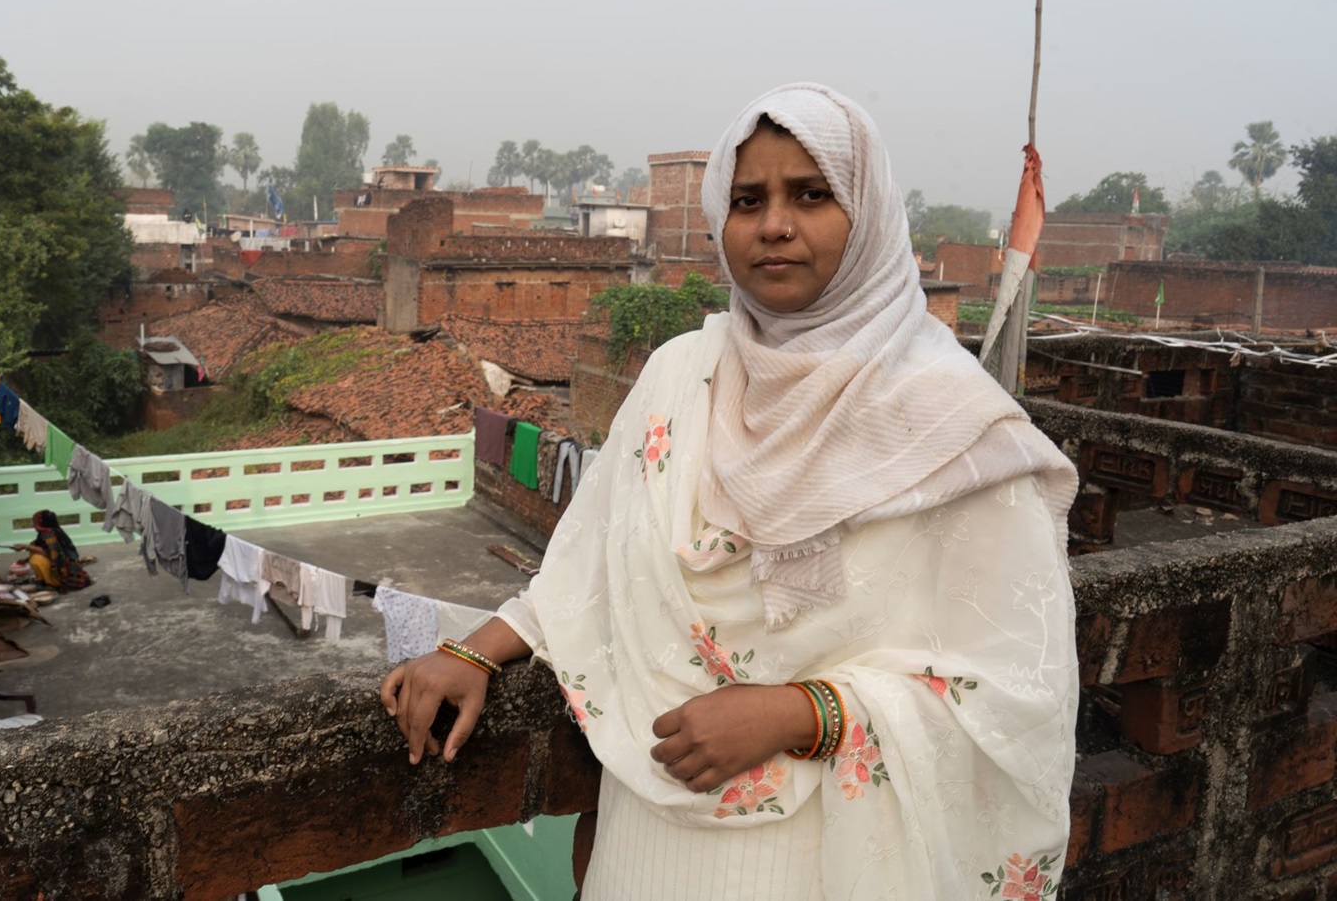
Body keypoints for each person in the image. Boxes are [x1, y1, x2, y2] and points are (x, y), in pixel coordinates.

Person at [380, 84, 1079, 899]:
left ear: (871, 216)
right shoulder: (684, 374)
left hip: (826, 856)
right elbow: (596, 558)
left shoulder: (955, 431)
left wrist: (801, 713)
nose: (774, 224)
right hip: (646, 833)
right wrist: (475, 651)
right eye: (748, 201)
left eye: (811, 195)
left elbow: (1015, 694)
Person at [11, 510, 92, 592]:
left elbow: (50, 554)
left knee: (36, 559)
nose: (33, 525)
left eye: (35, 522)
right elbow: (43, 548)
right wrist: (26, 559)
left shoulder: (49, 535)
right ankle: (43, 580)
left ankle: (53, 583)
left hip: (64, 570)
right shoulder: (52, 531)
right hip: (62, 565)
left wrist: (26, 546)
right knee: (33, 547)